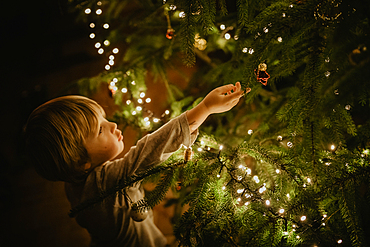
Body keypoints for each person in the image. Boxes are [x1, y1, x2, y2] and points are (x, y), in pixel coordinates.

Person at [24, 82, 249, 247]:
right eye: (100, 129)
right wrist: (205, 108)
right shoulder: (107, 184)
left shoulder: (72, 179)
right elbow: (149, 150)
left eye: (104, 118)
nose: (112, 124)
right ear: (81, 161)